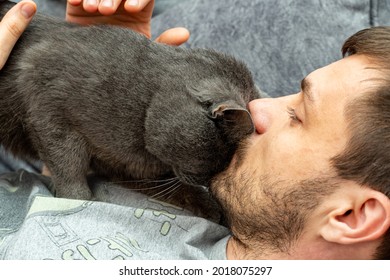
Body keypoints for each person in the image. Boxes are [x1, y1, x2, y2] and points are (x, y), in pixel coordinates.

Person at [0, 0, 389, 260]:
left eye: (298, 114)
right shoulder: (205, 194)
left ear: (352, 216)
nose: (258, 106)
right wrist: (102, 92)